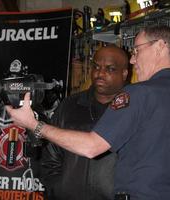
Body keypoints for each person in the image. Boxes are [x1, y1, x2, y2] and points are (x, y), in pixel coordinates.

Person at [6, 25, 170, 200]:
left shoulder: (138, 94)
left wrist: (34, 125)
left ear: (160, 47)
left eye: (137, 50)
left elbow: (92, 147)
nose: (132, 60)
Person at [40, 45, 129, 200]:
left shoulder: (134, 108)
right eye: (96, 67)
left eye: (110, 69)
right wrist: (58, 189)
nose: (100, 73)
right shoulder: (69, 106)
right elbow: (50, 157)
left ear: (125, 73)